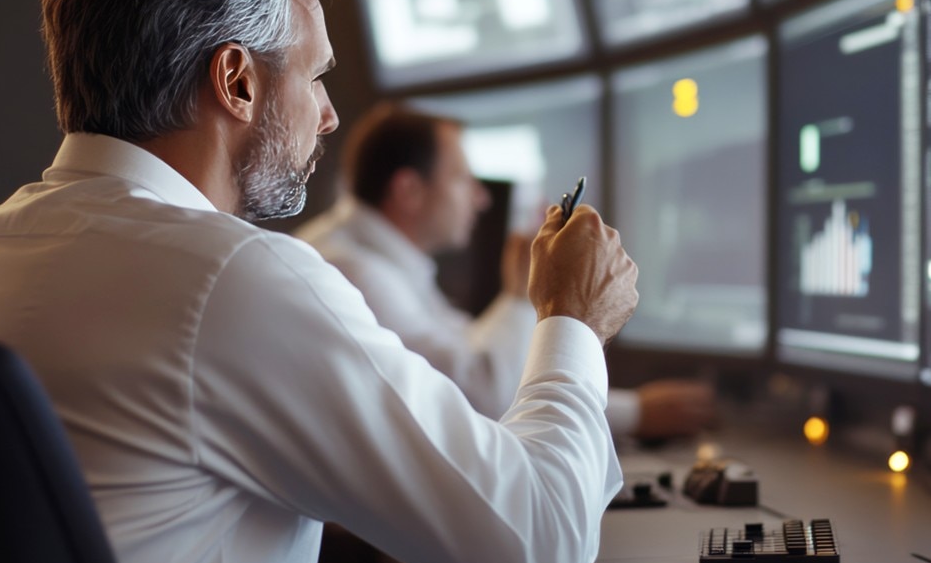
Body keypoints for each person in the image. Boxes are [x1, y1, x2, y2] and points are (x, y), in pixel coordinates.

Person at [0, 0, 639, 563]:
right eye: (315, 77)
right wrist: (571, 317)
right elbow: (534, 541)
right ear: (237, 81)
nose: (328, 116)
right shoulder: (233, 279)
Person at [293, 103, 718, 440]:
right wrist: (519, 294)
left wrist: (624, 407)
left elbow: (462, 348)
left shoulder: (372, 256)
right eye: (463, 179)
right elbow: (479, 398)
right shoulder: (353, 270)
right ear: (409, 191)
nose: (480, 199)